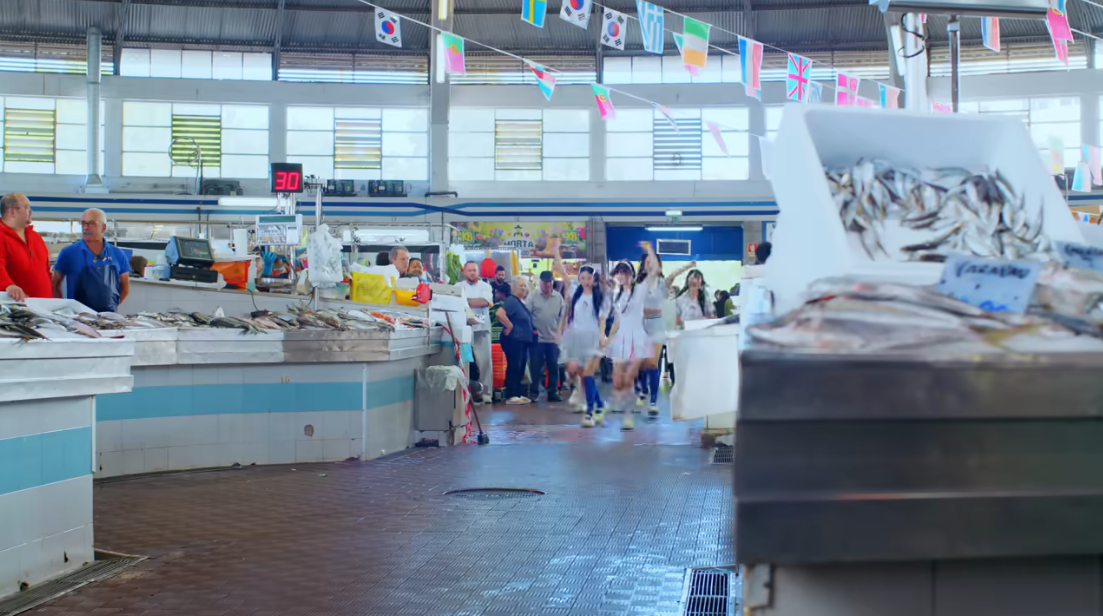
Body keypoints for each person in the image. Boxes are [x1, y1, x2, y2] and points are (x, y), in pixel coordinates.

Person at [607, 243, 660, 430]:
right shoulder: (616, 295)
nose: (622, 275)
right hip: (620, 339)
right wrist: (607, 338)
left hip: (637, 339)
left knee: (629, 378)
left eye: (625, 272)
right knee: (618, 379)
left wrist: (650, 251)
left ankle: (628, 415)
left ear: (631, 274)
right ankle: (625, 407)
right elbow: (616, 320)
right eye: (619, 272)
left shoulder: (640, 289)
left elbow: (654, 271)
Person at [558, 256, 613, 428]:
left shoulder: (601, 297)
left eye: (589, 277)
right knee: (580, 374)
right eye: (583, 277)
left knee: (588, 376)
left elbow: (603, 319)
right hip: (575, 338)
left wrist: (602, 336)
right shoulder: (575, 290)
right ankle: (599, 404)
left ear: (594, 278)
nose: (586, 281)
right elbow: (562, 272)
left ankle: (590, 413)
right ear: (579, 278)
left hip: (591, 339)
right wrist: (556, 252)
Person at [52, 208, 131, 313]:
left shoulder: (118, 254)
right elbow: (55, 285)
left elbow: (125, 288)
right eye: (83, 223)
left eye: (91, 223)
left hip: (108, 319)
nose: (86, 227)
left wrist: (112, 307)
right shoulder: (68, 253)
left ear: (103, 227)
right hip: (78, 318)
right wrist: (63, 309)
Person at [0, 193, 52, 302]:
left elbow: (46, 269)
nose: (31, 211)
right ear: (12, 211)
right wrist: (8, 285)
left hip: (44, 306)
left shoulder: (35, 237)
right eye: (27, 207)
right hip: (15, 309)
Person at [526, 270, 565, 402]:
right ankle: (534, 392)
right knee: (535, 366)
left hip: (553, 338)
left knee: (553, 365)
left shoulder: (558, 297)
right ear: (540, 282)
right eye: (545, 282)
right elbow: (526, 315)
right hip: (537, 338)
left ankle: (552, 391)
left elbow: (563, 317)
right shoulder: (533, 296)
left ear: (552, 282)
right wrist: (532, 330)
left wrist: (561, 332)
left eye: (549, 282)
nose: (547, 285)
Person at [495, 282, 534, 405]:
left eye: (524, 285)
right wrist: (510, 325)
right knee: (514, 365)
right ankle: (511, 394)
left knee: (520, 366)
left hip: (522, 340)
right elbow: (499, 313)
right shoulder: (512, 301)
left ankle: (517, 393)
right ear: (513, 288)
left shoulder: (519, 302)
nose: (523, 287)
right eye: (520, 285)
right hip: (514, 339)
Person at [462, 261, 494, 404]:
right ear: (465, 272)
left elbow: (484, 302)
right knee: (466, 362)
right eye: (469, 270)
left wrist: (464, 301)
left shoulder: (486, 286)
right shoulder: (458, 287)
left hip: (482, 329)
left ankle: (486, 393)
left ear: (478, 271)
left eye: (474, 270)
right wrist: (470, 302)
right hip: (464, 329)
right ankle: (467, 393)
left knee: (485, 361)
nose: (472, 273)